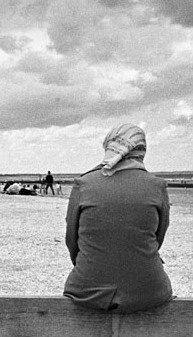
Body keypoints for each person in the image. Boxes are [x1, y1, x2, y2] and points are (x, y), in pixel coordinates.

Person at [64, 123, 173, 313]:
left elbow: (72, 242)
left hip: (86, 290)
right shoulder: (157, 186)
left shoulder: (84, 184)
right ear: (141, 151)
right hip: (149, 292)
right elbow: (157, 239)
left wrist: (93, 266)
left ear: (109, 146)